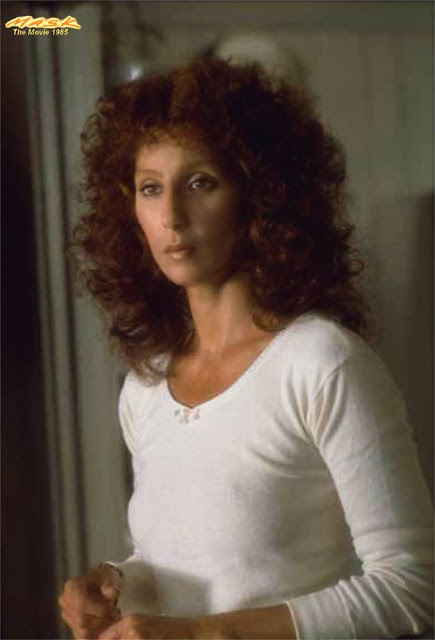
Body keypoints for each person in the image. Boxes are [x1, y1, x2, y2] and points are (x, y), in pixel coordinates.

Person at [58, 57, 433, 639]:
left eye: (200, 183)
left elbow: (413, 588)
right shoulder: (147, 385)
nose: (171, 216)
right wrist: (114, 584)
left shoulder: (321, 363)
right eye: (151, 188)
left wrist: (203, 634)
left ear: (258, 197)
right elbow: (189, 563)